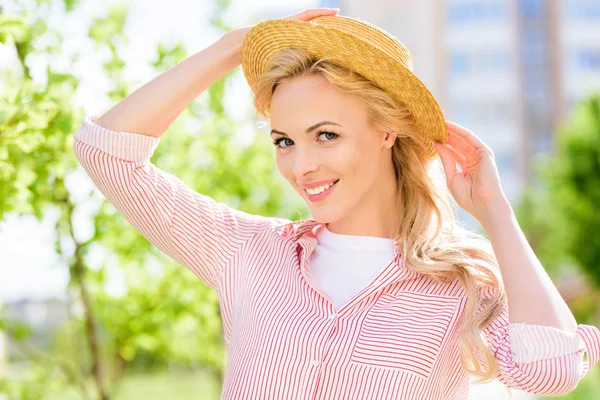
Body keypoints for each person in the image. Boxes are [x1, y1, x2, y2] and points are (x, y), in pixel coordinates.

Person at [72, 8, 600, 400]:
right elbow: (107, 153)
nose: (302, 166)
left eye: (326, 135)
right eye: (285, 141)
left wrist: (494, 212)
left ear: (386, 129)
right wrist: (234, 47)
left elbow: (549, 371)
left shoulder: (461, 282)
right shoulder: (247, 252)